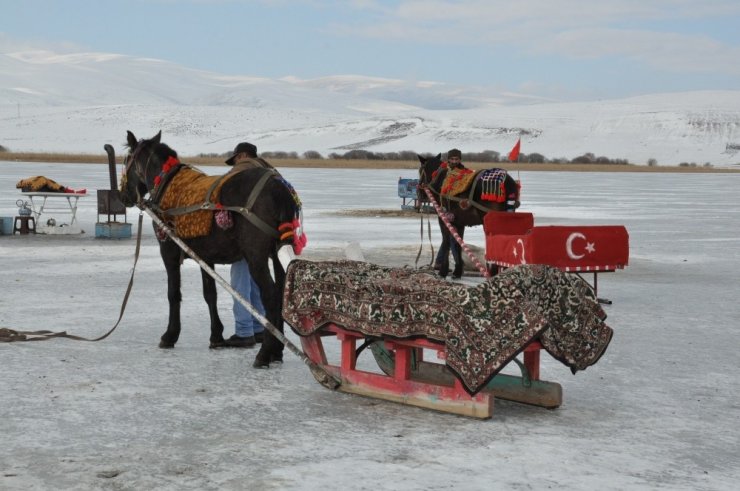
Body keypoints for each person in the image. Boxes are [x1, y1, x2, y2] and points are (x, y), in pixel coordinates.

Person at [222, 142, 274, 348]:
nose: (234, 163)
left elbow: (222, 186)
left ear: (242, 155)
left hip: (245, 236)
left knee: (240, 281)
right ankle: (258, 327)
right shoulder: (267, 170)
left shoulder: (245, 167)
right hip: (263, 237)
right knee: (255, 281)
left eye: (235, 159)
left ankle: (244, 331)